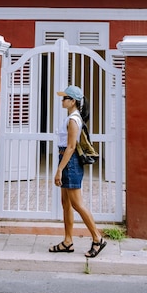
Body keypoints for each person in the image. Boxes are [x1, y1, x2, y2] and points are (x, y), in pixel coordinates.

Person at [49, 85, 107, 258]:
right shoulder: (71, 118)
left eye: (64, 98)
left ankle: (98, 238)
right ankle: (68, 241)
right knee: (66, 203)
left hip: (70, 163)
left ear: (72, 101)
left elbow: (72, 146)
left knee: (76, 204)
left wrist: (59, 170)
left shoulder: (74, 120)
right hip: (66, 161)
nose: (62, 100)